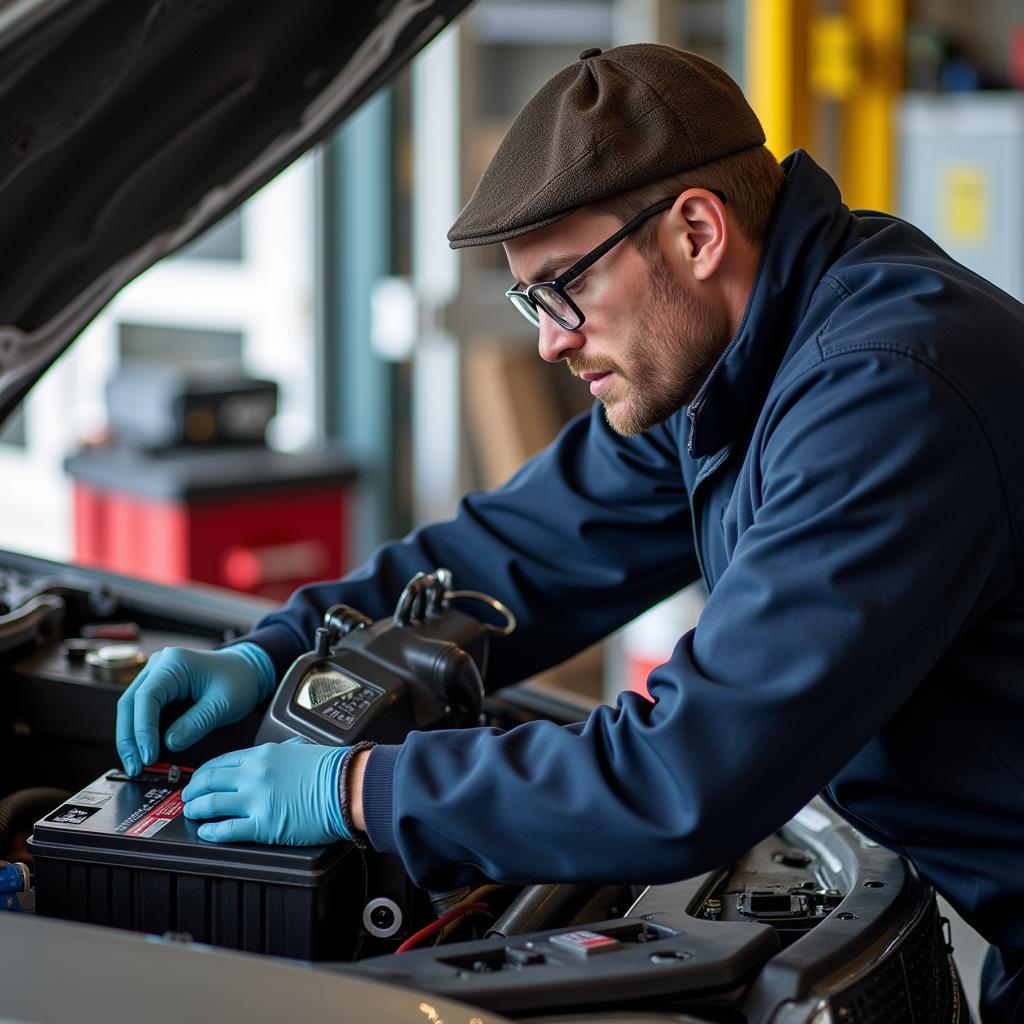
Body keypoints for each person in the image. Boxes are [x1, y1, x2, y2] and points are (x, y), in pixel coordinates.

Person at [116, 44, 1024, 1020]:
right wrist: (278, 647)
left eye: (565, 285)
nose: (549, 337)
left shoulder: (884, 396)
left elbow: (685, 771)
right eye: (529, 300)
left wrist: (362, 791)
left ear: (694, 233)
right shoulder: (733, 363)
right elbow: (515, 556)